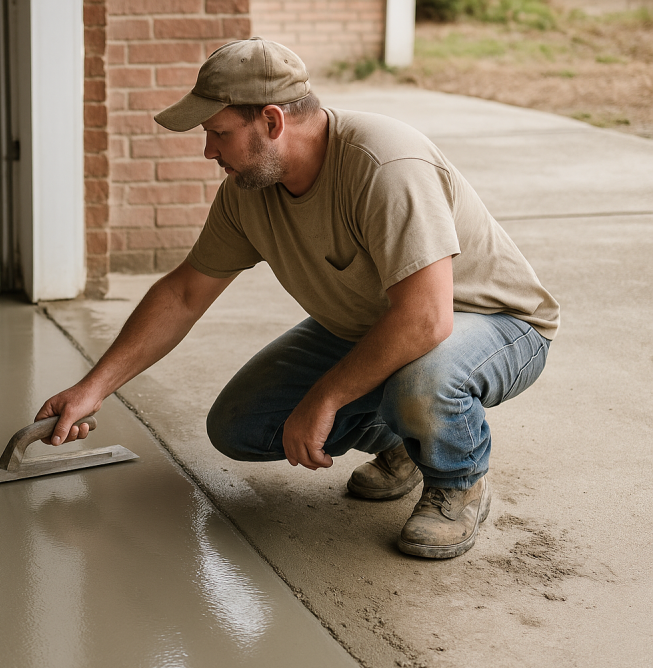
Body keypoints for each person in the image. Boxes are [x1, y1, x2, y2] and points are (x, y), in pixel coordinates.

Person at [35, 38, 559, 559]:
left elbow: (426, 319)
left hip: (493, 322)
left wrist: (325, 397)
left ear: (271, 121)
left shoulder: (384, 164)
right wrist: (94, 388)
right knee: (241, 425)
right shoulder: (249, 192)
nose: (209, 151)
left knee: (422, 378)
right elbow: (184, 292)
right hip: (379, 324)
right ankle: (406, 440)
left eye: (219, 133)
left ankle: (458, 480)